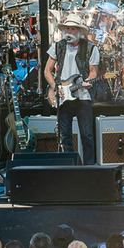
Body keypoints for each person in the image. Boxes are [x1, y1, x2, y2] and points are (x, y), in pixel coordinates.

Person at [44, 13, 100, 165]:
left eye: (73, 29)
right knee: (64, 135)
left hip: (82, 95)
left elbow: (93, 71)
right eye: (67, 29)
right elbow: (47, 71)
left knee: (87, 134)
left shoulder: (91, 49)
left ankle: (89, 168)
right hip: (63, 95)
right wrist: (55, 88)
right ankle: (69, 167)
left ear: (80, 32)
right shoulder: (57, 46)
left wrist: (89, 80)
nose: (69, 32)